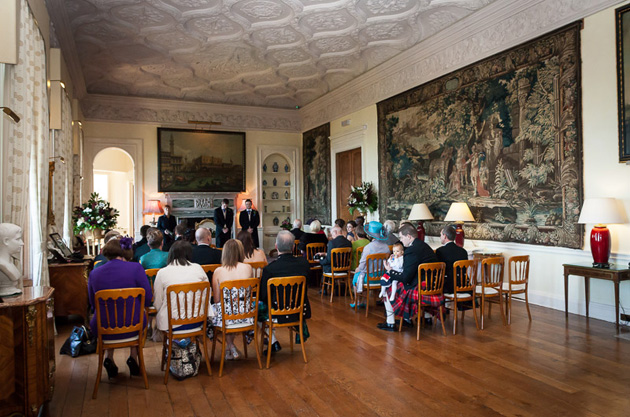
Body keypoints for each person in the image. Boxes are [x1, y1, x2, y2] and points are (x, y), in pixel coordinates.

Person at [88, 237, 153, 378]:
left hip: (103, 326)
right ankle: (133, 357)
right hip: (133, 324)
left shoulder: (94, 273)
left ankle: (108, 358)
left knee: (107, 312)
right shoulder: (136, 268)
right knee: (135, 311)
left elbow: (93, 304)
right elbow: (147, 297)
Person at [259, 230, 312, 355]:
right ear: (293, 247)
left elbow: (263, 296)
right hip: (299, 310)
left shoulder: (270, 269)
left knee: (258, 308)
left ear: (276, 247)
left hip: (276, 312)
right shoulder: (304, 264)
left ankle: (272, 341)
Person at [378, 223, 437, 331]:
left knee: (388, 289)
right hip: (434, 285)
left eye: (401, 237)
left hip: (420, 287)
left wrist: (390, 270)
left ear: (409, 236)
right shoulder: (424, 245)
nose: (401, 240)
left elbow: (405, 278)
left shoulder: (411, 251)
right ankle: (419, 318)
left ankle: (391, 323)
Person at [153, 240, 210, 335]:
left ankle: (176, 346)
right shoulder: (198, 268)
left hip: (172, 323)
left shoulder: (162, 273)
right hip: (198, 319)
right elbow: (206, 294)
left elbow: (158, 301)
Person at [211, 239, 254, 360]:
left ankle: (230, 346)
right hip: (246, 314)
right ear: (241, 252)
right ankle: (230, 347)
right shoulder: (248, 268)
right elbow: (248, 292)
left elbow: (217, 300)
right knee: (235, 306)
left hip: (227, 316)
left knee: (217, 310)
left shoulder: (218, 271)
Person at [350, 221, 390, 308]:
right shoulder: (386, 247)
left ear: (369, 235)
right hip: (382, 277)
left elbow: (362, 265)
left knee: (356, 278)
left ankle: (358, 302)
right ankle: (363, 301)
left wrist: (358, 269)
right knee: (360, 274)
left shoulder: (368, 247)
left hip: (368, 277)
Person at [435, 224, 468, 295]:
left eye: (440, 235)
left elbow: (438, 271)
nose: (440, 237)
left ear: (445, 236)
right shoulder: (463, 251)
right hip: (463, 284)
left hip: (449, 286)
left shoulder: (440, 251)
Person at [0, 223, 23, 296]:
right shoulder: (2, 264)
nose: (22, 243)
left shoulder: (10, 262)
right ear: (6, 241)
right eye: (18, 239)